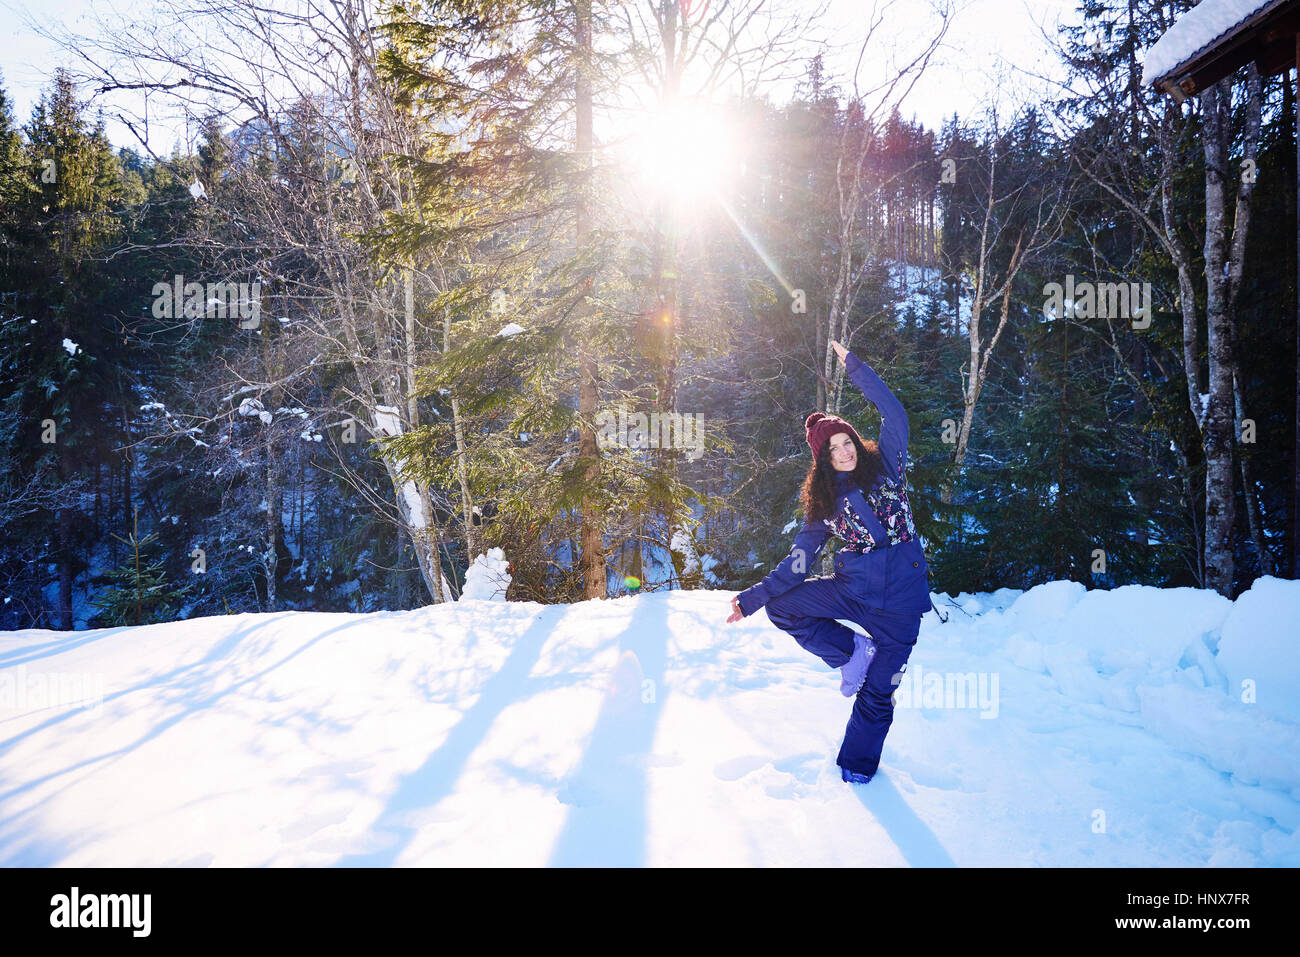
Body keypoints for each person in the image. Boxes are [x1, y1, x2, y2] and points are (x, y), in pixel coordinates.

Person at [725, 340, 931, 785]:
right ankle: (852, 652)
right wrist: (752, 600)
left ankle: (856, 768)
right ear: (822, 458)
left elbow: (895, 414)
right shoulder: (823, 503)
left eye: (847, 440)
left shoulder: (887, 465)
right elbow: (798, 563)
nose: (844, 450)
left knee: (879, 695)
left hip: (901, 605)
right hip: (853, 592)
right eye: (833, 447)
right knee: (784, 607)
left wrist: (856, 367)